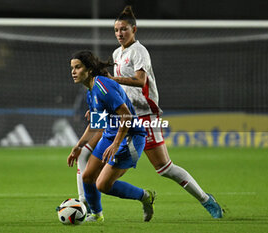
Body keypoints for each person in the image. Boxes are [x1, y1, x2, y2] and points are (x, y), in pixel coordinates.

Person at [76, 6, 223, 219]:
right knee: (95, 172)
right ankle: (92, 208)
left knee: (165, 168)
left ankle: (206, 199)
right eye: (116, 30)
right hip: (123, 118)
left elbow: (140, 81)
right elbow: (118, 93)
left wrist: (112, 79)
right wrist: (102, 108)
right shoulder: (117, 53)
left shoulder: (139, 51)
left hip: (145, 117)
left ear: (134, 29)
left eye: (124, 29)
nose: (119, 33)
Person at [67, 50, 156, 222]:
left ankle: (145, 196)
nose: (73, 71)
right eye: (72, 68)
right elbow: (96, 124)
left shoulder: (103, 86)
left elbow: (127, 115)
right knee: (88, 177)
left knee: (102, 184)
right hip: (111, 135)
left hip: (130, 137)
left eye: (78, 67)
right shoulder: (90, 91)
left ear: (90, 69)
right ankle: (96, 215)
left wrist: (116, 144)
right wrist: (78, 146)